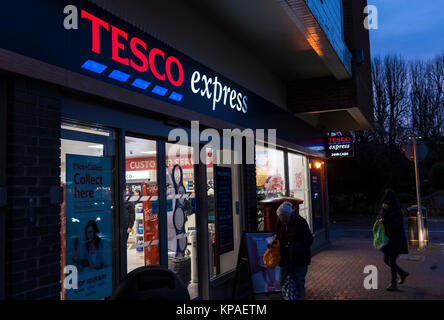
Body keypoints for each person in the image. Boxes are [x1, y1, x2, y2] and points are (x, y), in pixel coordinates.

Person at [275, 201, 313, 300]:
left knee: (298, 281)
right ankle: (288, 297)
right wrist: (274, 243)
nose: (283, 221)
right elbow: (277, 235)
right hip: (285, 258)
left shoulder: (300, 222)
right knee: (282, 280)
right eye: (281, 219)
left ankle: (299, 297)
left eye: (285, 219)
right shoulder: (280, 222)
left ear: (290, 215)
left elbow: (309, 239)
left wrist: (295, 246)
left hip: (299, 258)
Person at [380, 189, 409, 291]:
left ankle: (393, 284)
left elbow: (397, 225)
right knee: (386, 260)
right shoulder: (386, 210)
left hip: (396, 240)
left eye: (386, 203)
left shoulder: (397, 211)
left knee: (391, 261)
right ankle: (402, 273)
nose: (384, 205)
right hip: (388, 240)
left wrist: (385, 221)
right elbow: (383, 220)